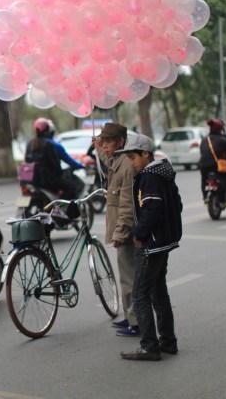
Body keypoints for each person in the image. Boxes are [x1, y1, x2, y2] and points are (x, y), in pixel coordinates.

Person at [116, 134, 182, 361]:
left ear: (146, 154)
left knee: (140, 294)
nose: (131, 163)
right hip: (163, 241)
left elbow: (153, 209)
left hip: (151, 244)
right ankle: (168, 342)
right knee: (158, 292)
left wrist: (138, 233)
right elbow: (177, 205)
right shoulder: (163, 173)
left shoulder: (149, 177)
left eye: (133, 157)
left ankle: (149, 346)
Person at [92, 123, 138, 337]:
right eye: (103, 142)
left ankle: (136, 322)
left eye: (108, 142)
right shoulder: (117, 160)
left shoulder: (127, 166)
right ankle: (130, 316)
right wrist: (98, 148)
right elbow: (107, 159)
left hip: (127, 232)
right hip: (123, 231)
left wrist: (119, 234)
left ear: (120, 142)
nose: (105, 146)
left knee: (129, 279)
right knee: (126, 277)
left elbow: (127, 206)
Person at [25, 118, 83, 200]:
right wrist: (61, 174)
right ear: (48, 130)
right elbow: (55, 165)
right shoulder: (49, 144)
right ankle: (59, 206)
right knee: (71, 188)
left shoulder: (30, 143)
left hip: (33, 180)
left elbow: (27, 161)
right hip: (48, 180)